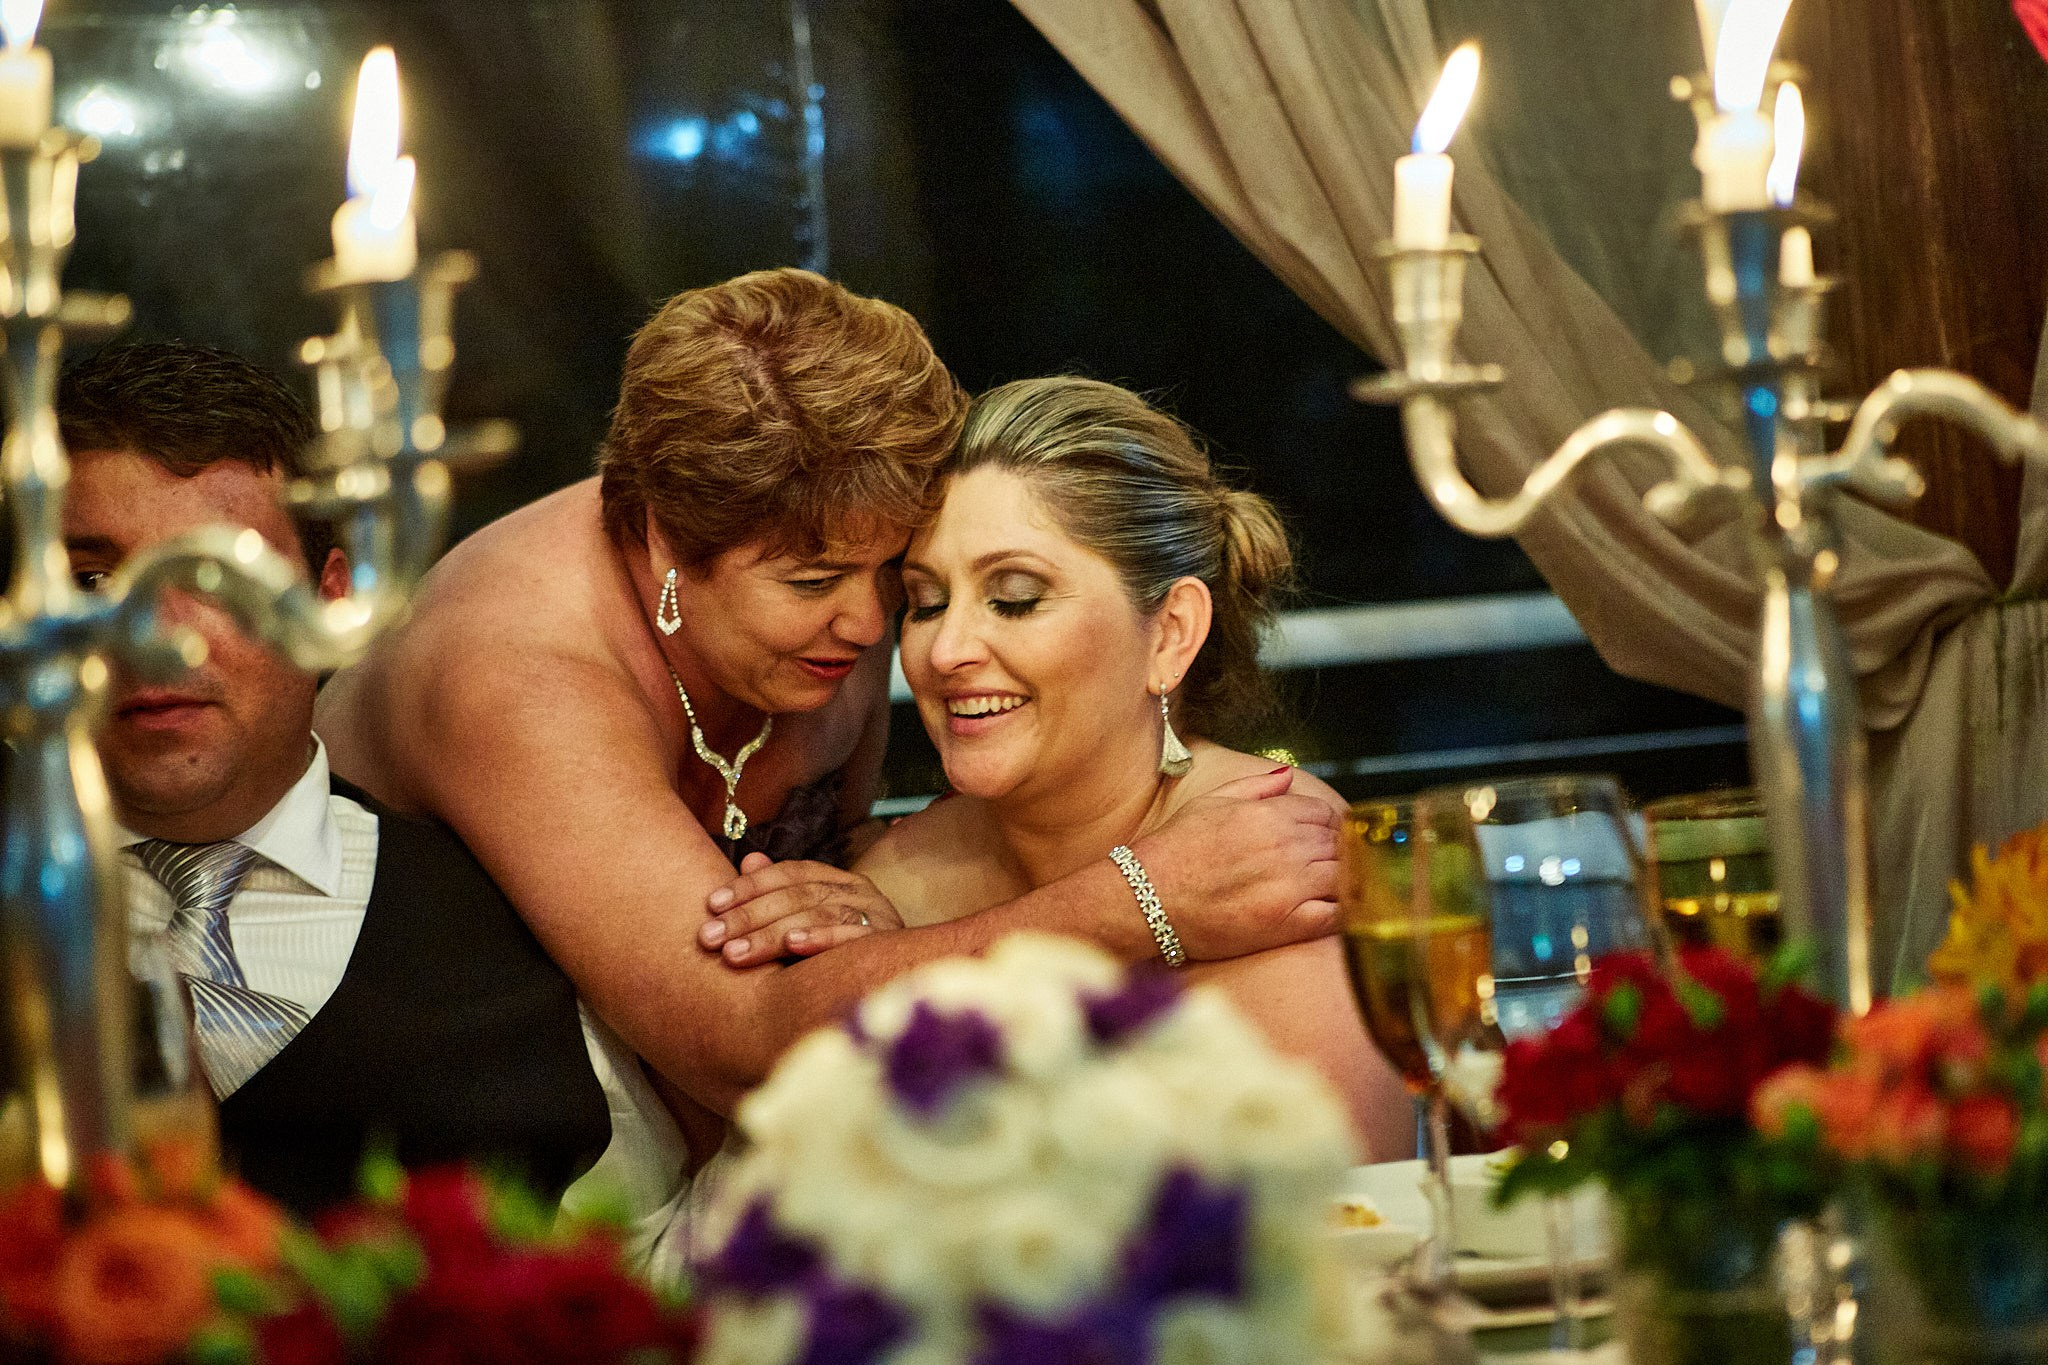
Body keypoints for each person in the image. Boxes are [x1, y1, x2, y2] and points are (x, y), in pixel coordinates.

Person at [313, 268, 1344, 1173]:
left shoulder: (808, 630)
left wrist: (873, 928)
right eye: (817, 580)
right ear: (671, 549)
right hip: (455, 1178)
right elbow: (738, 1041)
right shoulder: (516, 670)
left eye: (894, 575)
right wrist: (1138, 901)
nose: (883, 631)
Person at [62, 342, 688, 1253]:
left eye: (219, 576)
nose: (155, 636)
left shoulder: (513, 936)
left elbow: (630, 1277)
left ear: (333, 600)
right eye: (91, 580)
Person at [851, 376, 1411, 1156]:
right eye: (927, 601)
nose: (945, 653)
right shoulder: (895, 882)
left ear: (1171, 634)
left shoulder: (1281, 857)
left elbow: (1330, 1238)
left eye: (1014, 598)